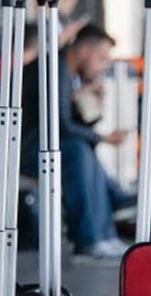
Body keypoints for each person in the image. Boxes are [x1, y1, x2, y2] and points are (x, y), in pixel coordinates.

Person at [21, 23, 132, 262]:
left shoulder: (69, 75)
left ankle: (104, 234)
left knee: (82, 149)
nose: (103, 66)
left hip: (44, 145)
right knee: (78, 151)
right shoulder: (54, 69)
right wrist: (102, 137)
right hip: (23, 149)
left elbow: (73, 125)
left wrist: (93, 106)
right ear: (83, 50)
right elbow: (61, 124)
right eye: (101, 58)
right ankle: (90, 238)